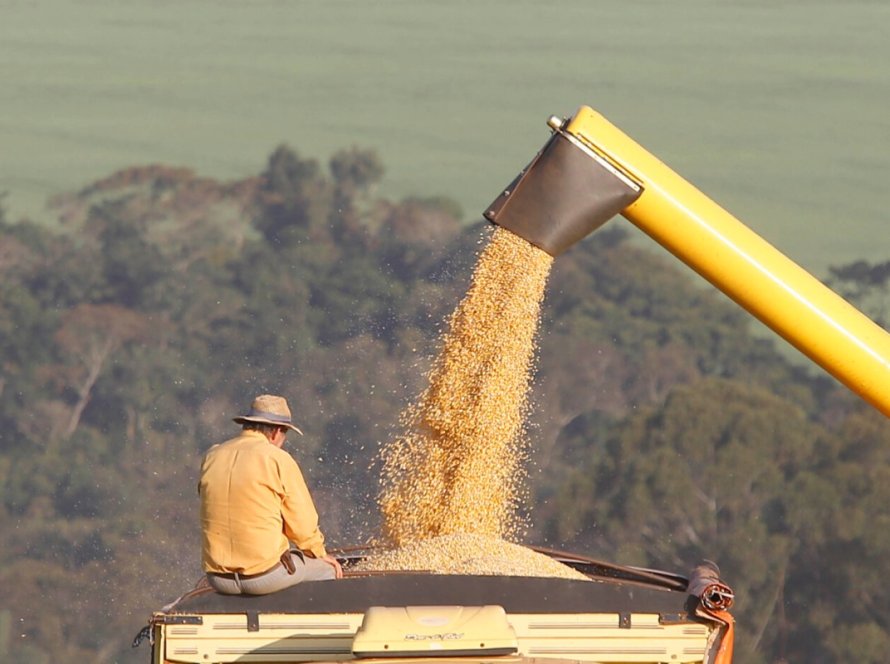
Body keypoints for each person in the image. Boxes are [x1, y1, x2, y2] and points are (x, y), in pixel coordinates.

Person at [199, 394, 342, 595]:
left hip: (218, 579)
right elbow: (302, 524)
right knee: (328, 571)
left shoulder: (212, 456)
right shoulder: (277, 459)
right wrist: (319, 553)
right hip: (263, 577)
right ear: (276, 432)